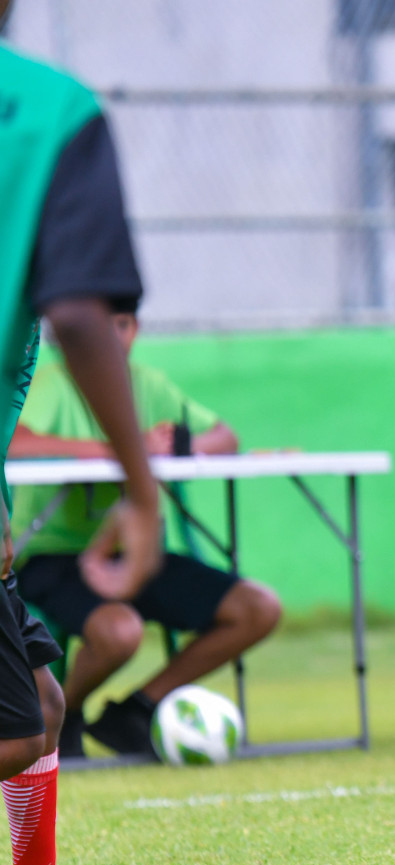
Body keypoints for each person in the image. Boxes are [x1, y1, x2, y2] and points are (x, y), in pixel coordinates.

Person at [0, 30, 164, 865]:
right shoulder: (47, 112)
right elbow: (76, 309)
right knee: (19, 732)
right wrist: (141, 490)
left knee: (44, 699)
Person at [10, 310, 281, 760]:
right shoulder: (51, 384)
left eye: (122, 324)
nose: (111, 338)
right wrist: (123, 448)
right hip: (51, 554)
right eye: (98, 326)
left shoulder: (148, 385)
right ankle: (67, 713)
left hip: (132, 550)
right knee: (120, 631)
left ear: (134, 329)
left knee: (257, 607)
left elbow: (224, 437)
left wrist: (175, 446)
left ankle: (136, 710)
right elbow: (14, 441)